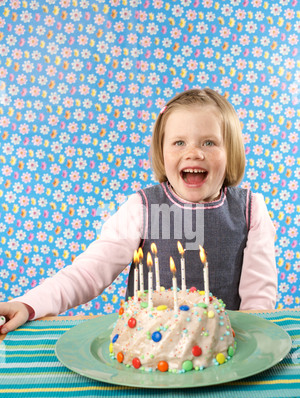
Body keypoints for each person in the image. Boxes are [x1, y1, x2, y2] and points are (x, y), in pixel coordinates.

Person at [0, 88, 277, 334]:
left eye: (209, 142)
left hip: (224, 355)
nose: (194, 152)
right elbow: (87, 274)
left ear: (232, 152)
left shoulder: (250, 210)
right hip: (148, 353)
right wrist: (28, 304)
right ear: (162, 151)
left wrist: (249, 350)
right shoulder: (142, 208)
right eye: (179, 142)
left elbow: (258, 303)